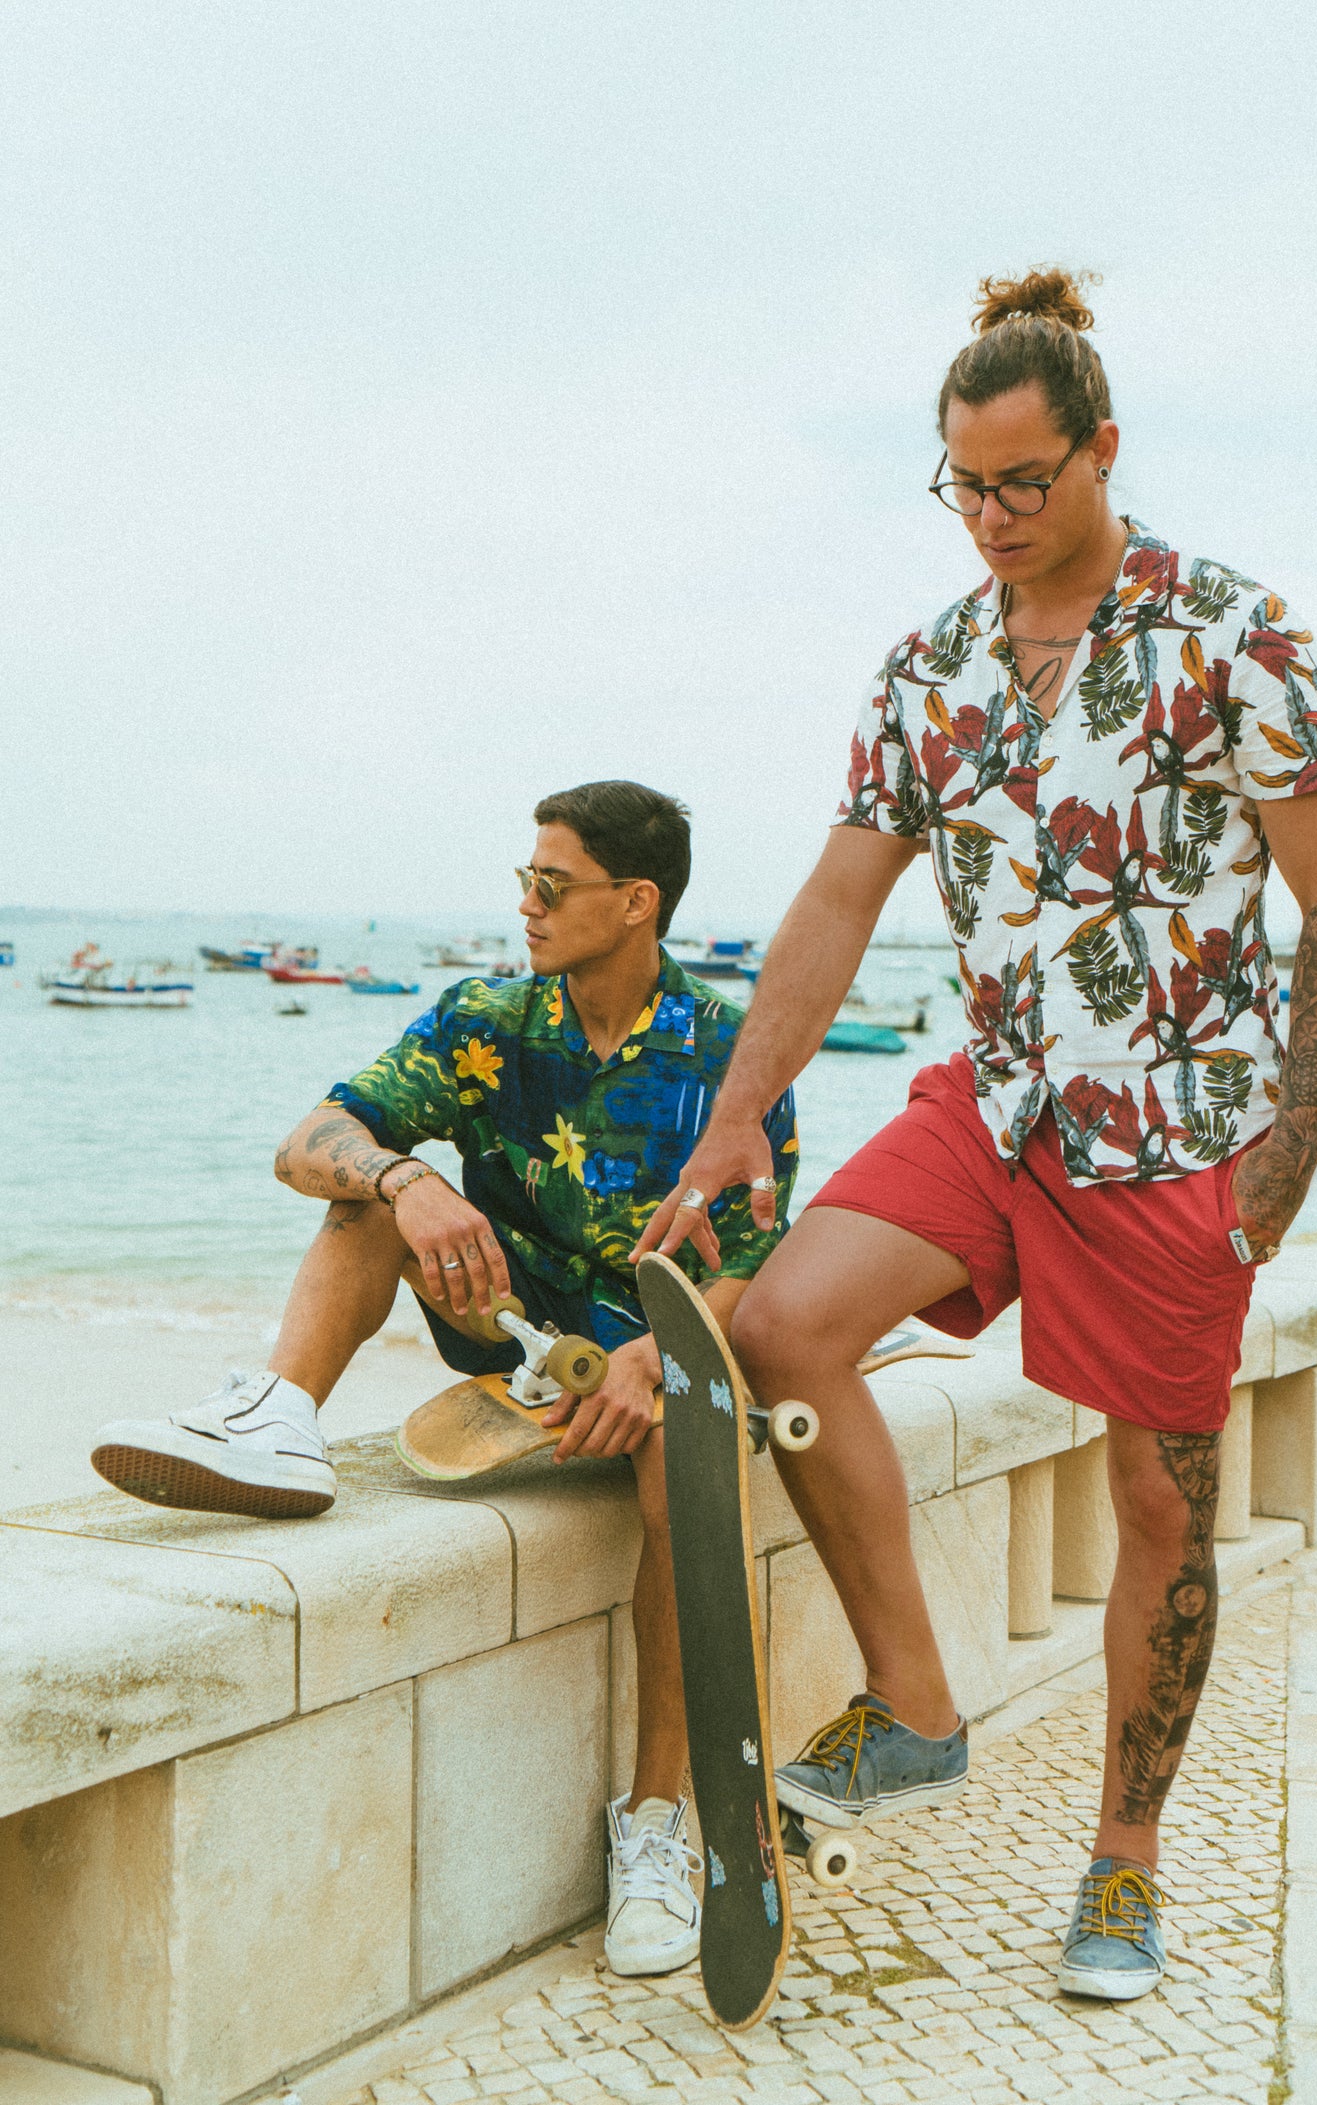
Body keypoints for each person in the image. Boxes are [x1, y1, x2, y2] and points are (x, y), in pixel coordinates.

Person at [631, 272, 1317, 2000]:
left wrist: (1286, 1161)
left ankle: (1124, 1864)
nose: (989, 517)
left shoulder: (1238, 637)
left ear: (1102, 447)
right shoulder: (932, 665)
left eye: (1022, 481)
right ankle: (913, 1701)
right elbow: (835, 897)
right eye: (961, 484)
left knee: (1154, 1503)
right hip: (1001, 1093)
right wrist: (737, 1114)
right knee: (782, 1318)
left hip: (1177, 1127)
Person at [92, 779, 798, 1982]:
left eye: (550, 883)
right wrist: (404, 1181)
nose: (524, 902)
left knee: (687, 1479)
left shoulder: (732, 1054)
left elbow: (755, 1263)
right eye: (523, 878)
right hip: (507, 1322)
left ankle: (657, 1826)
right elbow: (307, 1137)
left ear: (637, 903)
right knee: (368, 1197)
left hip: (656, 1344)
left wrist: (657, 1358)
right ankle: (278, 1416)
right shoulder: (483, 1017)